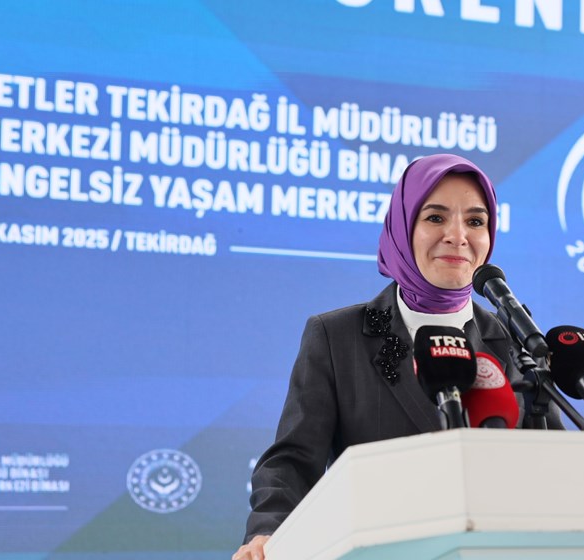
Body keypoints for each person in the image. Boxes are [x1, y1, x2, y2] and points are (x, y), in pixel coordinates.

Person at [232, 154, 557, 560]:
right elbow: (293, 461)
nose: (458, 236)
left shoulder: (517, 342)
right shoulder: (337, 336)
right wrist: (270, 533)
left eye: (476, 221)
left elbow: (556, 463)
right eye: (435, 217)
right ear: (402, 229)